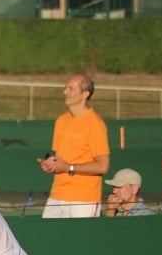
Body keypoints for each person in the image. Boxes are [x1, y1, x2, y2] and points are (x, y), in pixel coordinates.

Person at [38, 74, 110, 218]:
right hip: (57, 194)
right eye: (66, 88)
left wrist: (68, 168)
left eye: (71, 88)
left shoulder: (95, 124)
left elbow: (103, 166)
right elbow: (60, 159)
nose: (65, 92)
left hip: (84, 199)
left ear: (85, 94)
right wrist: (50, 165)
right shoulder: (61, 121)